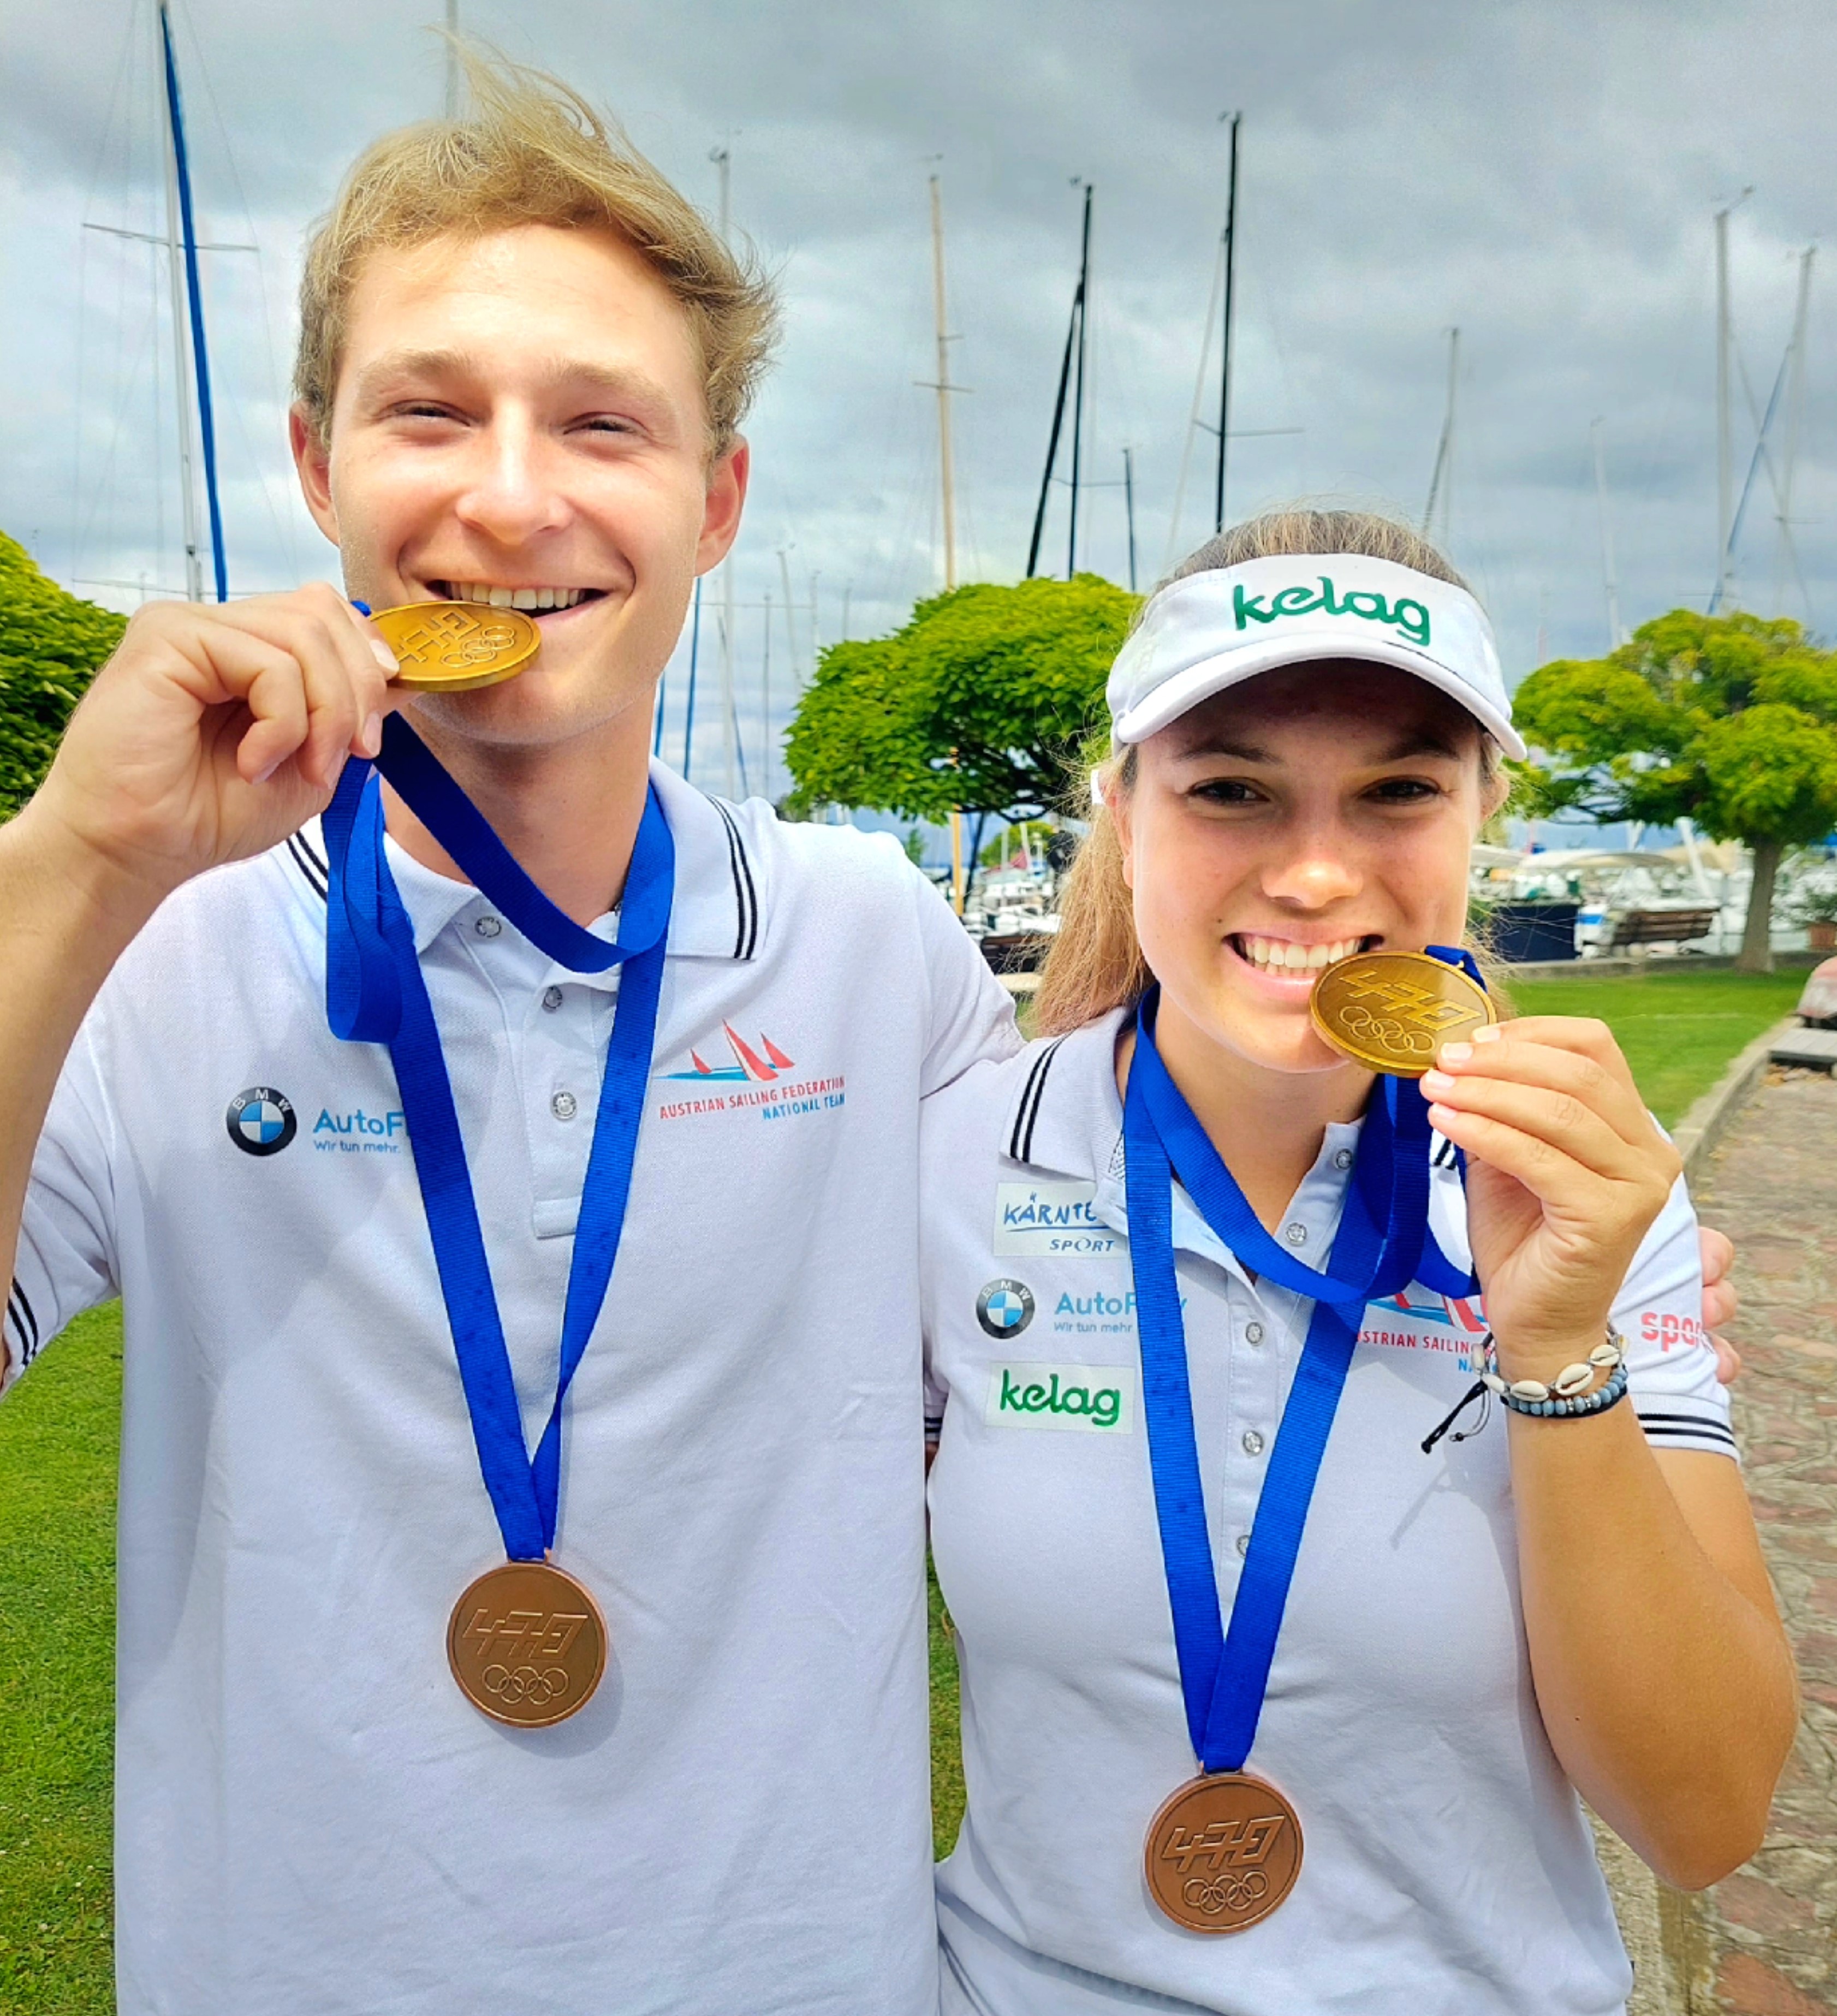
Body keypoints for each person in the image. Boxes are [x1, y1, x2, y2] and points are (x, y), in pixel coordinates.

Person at [0, 55, 1020, 2016]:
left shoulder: (875, 951)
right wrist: (73, 858)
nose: (513, 492)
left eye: (605, 424)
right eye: (431, 410)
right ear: (318, 468)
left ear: (717, 504)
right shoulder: (158, 949)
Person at [919, 511, 1796, 2016]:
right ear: (1121, 811)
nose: (1318, 874)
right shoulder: (944, 1163)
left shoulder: (1590, 1183)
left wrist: (1558, 1352)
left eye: (1397, 790)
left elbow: (1705, 1818)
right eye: (1231, 789)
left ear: (1484, 813)